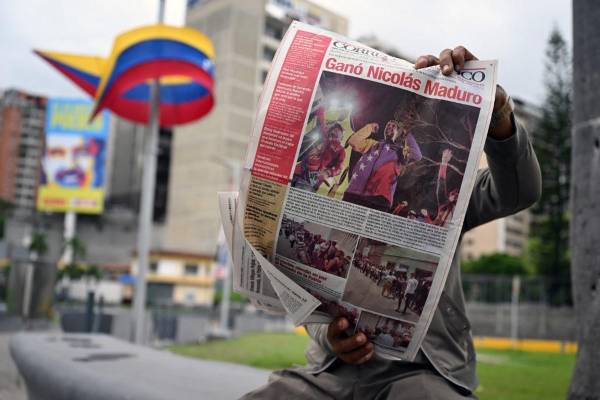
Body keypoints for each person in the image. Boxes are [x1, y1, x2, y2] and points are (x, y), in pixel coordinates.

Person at [241, 46, 542, 400]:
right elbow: (309, 287)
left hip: (422, 371)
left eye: (400, 126)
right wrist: (329, 336)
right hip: (330, 372)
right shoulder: (368, 148)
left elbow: (520, 193)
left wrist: (500, 117)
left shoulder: (436, 180)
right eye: (392, 125)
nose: (393, 129)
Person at [343, 119, 423, 212]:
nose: (390, 127)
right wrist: (369, 127)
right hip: (354, 192)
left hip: (379, 200)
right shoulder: (372, 143)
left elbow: (417, 155)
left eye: (394, 126)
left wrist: (407, 134)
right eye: (388, 125)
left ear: (397, 133)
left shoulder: (400, 152)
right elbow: (353, 141)